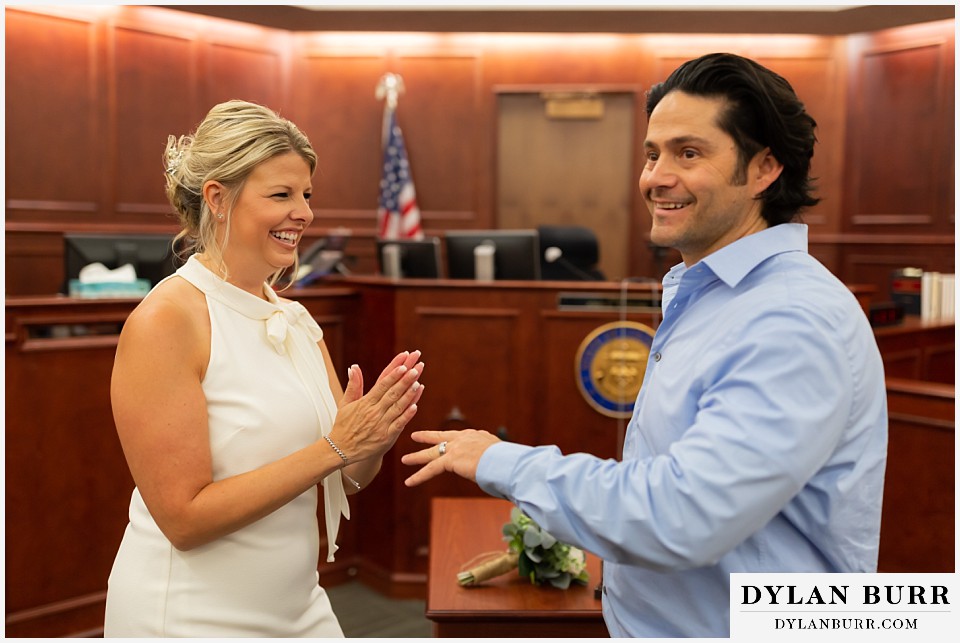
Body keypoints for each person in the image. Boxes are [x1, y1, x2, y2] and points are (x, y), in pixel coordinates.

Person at [403, 53, 887, 638]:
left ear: (764, 169)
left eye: (689, 153)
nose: (656, 176)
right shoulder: (710, 295)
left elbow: (682, 515)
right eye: (652, 153)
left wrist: (501, 461)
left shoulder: (790, 319)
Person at [104, 100, 425, 637]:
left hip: (299, 607)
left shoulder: (295, 319)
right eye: (281, 195)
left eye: (306, 195)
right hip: (190, 616)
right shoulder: (168, 319)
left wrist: (371, 438)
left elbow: (349, 473)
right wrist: (337, 446)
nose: (303, 212)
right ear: (217, 198)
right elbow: (183, 519)